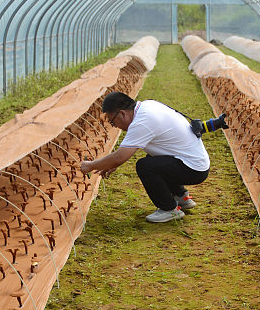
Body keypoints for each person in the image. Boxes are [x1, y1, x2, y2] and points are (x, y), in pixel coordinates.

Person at [79, 92, 222, 224]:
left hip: (193, 170)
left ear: (122, 114)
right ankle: (181, 197)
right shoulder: (148, 106)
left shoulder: (142, 121)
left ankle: (169, 209)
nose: (115, 126)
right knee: (152, 158)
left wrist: (91, 165)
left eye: (112, 122)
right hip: (195, 163)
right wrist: (113, 163)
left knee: (145, 166)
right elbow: (127, 152)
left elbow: (120, 156)